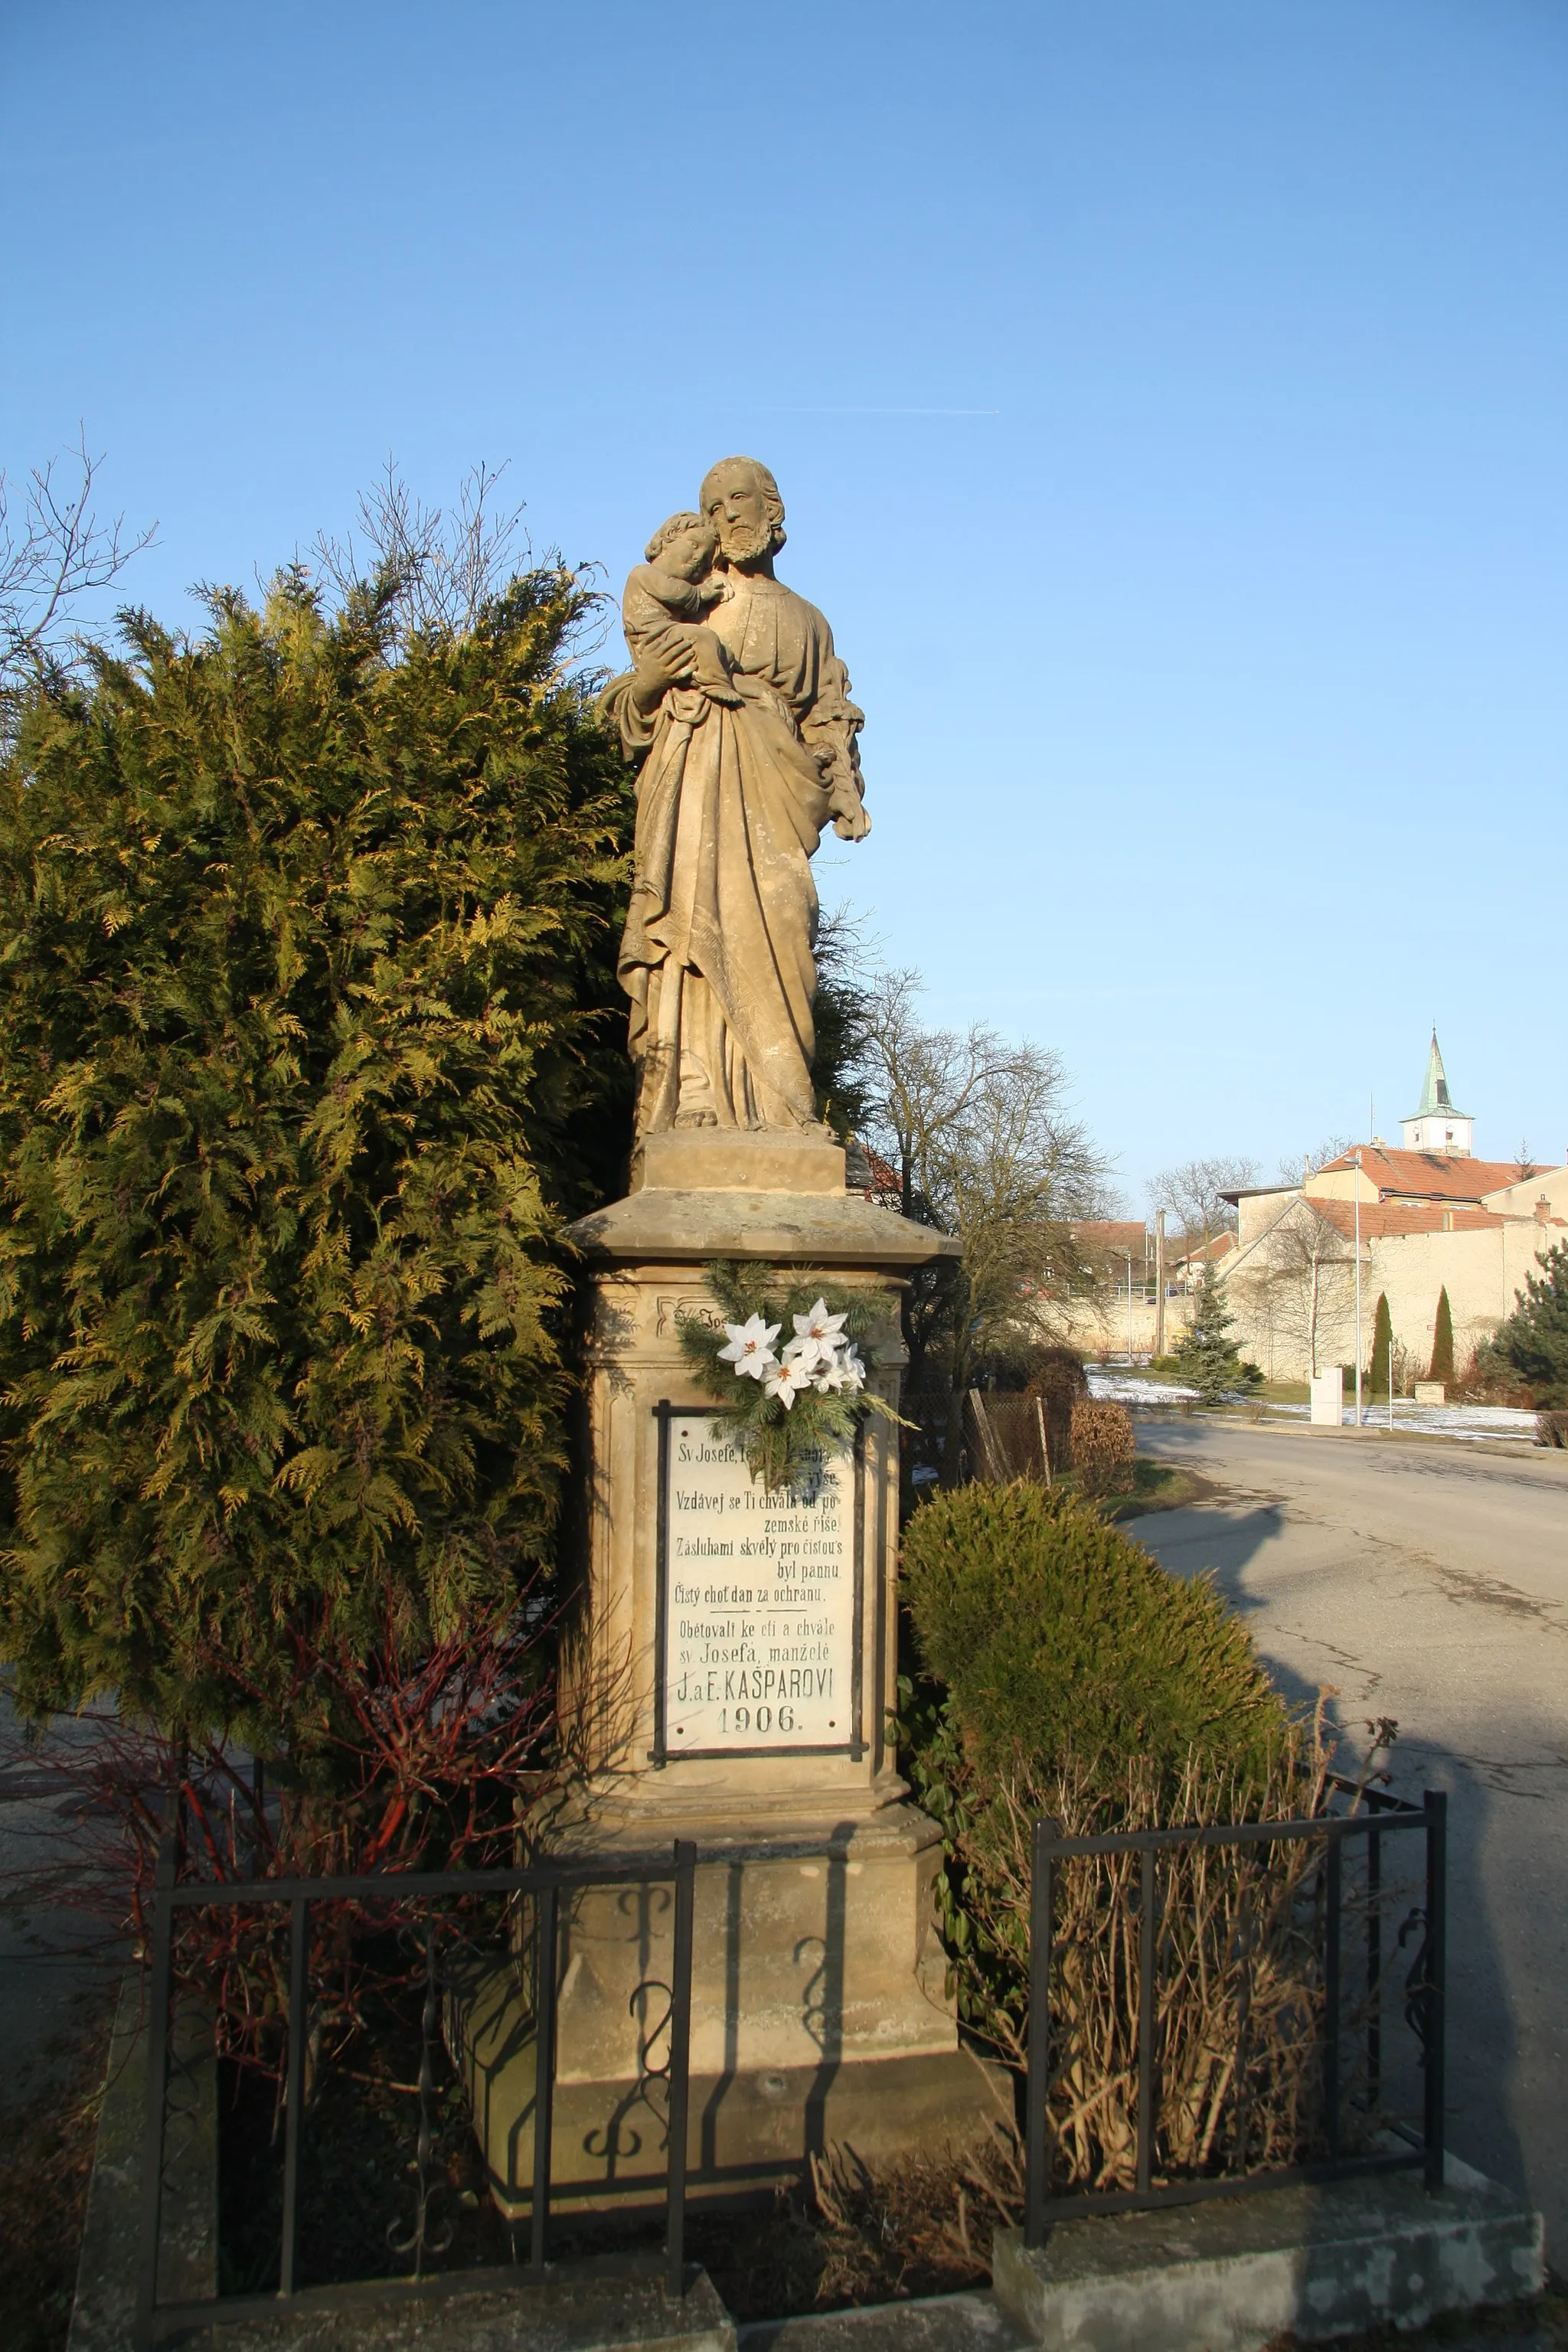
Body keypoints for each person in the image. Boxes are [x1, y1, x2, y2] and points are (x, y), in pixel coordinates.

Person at [600, 457, 869, 1134]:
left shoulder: (809, 622)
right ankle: (694, 1097)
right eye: (713, 506)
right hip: (692, 781)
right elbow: (622, 707)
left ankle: (783, 1107)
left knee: (783, 922)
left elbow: (828, 715)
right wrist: (650, 683)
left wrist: (844, 794)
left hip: (775, 794)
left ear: (772, 509)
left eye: (739, 499)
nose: (727, 516)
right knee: (691, 930)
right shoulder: (687, 595)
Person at [620, 511, 740, 707]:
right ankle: (715, 684)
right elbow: (674, 592)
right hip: (653, 637)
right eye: (694, 545)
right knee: (702, 637)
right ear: (667, 539)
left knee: (722, 651)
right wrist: (702, 592)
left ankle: (705, 676)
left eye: (704, 560)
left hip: (668, 633)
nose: (697, 558)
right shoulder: (644, 573)